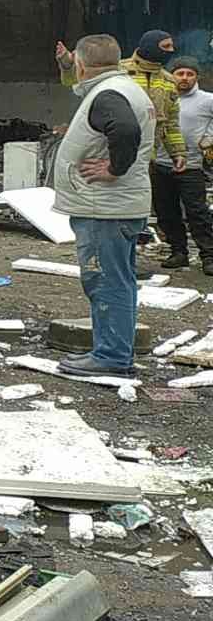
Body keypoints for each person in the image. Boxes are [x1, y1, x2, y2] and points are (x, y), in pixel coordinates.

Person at [51, 35, 155, 378]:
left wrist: (113, 169)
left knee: (105, 281)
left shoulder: (108, 94)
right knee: (117, 280)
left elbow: (123, 129)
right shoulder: (121, 87)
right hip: (115, 207)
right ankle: (112, 351)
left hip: (105, 207)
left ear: (81, 65)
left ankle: (111, 358)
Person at [58, 29, 186, 173]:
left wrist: (177, 153)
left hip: (146, 156)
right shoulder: (118, 69)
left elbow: (171, 122)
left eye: (172, 46)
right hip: (108, 153)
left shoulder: (169, 81)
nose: (171, 50)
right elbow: (78, 84)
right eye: (166, 46)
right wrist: (68, 65)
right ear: (150, 46)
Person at [151, 56, 213, 273]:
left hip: (192, 165)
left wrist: (209, 137)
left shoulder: (207, 100)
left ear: (196, 77)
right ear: (172, 75)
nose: (184, 78)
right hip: (159, 163)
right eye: (180, 73)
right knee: (166, 211)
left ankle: (208, 256)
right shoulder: (162, 97)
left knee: (197, 212)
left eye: (190, 74)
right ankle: (179, 252)